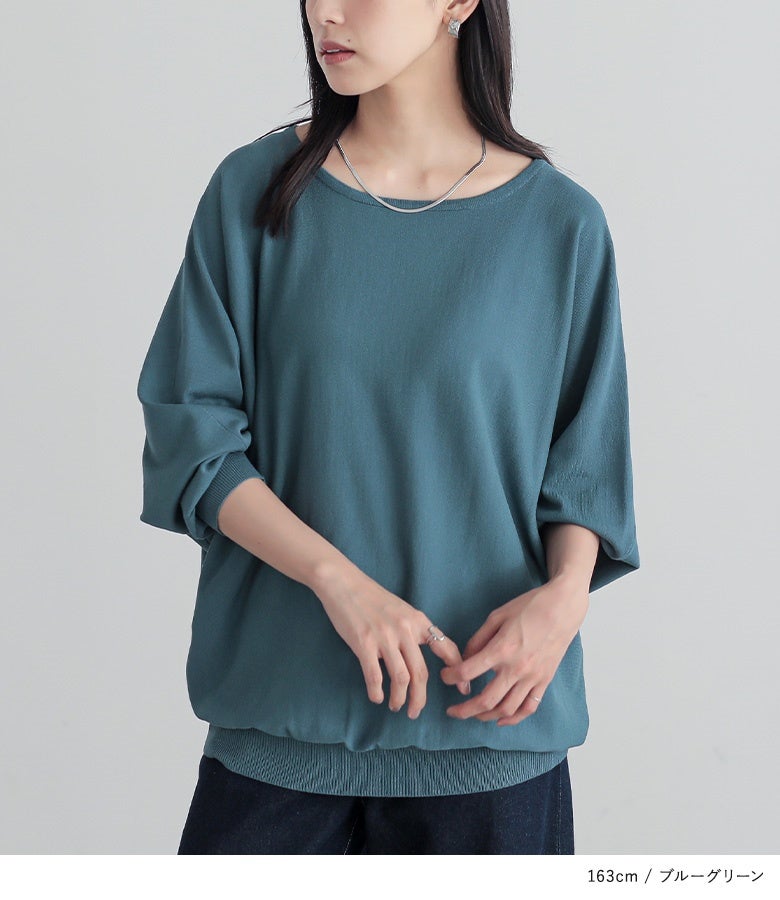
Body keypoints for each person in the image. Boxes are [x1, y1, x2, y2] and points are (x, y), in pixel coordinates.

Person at [136, 0, 640, 855]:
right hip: (281, 720)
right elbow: (193, 435)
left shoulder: (560, 224)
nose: (325, 12)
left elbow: (585, 463)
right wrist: (338, 582)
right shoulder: (257, 192)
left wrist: (563, 602)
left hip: (491, 739)